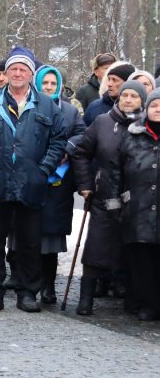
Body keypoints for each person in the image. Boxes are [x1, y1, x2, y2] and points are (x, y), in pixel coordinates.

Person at [0, 47, 66, 313]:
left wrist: (43, 169)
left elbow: (58, 141)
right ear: (6, 73)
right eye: (13, 69)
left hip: (31, 185)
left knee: (29, 242)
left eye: (23, 69)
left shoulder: (46, 105)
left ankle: (27, 292)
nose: (18, 73)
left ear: (31, 74)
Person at [72, 80, 146, 315]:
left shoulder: (147, 125)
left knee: (133, 251)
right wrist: (85, 184)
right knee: (96, 248)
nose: (128, 100)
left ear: (142, 101)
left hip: (137, 200)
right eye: (125, 95)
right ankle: (86, 299)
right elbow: (81, 152)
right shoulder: (103, 122)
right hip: (104, 196)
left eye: (134, 96)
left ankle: (132, 300)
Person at [31, 65, 85, 304]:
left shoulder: (71, 112)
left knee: (50, 240)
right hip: (32, 179)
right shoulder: (29, 105)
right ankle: (28, 284)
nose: (49, 87)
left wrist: (66, 148)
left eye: (53, 84)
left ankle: (48, 286)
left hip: (57, 185)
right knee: (29, 236)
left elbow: (82, 134)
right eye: (45, 83)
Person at [107, 88, 160, 320]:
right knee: (140, 260)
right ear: (147, 109)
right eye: (154, 106)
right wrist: (114, 205)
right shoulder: (132, 135)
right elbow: (115, 172)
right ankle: (145, 303)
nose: (158, 110)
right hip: (136, 207)